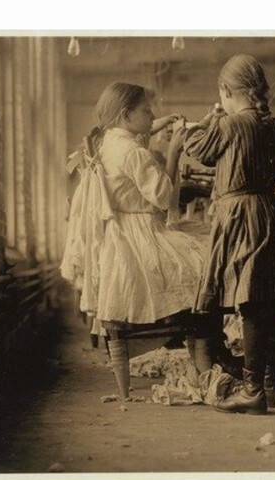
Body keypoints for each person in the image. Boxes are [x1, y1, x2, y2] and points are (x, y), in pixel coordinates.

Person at [62, 81, 204, 401]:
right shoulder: (133, 151)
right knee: (204, 262)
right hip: (140, 235)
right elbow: (164, 197)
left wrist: (160, 124)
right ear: (126, 115)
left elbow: (136, 137)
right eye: (146, 110)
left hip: (117, 235)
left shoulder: (109, 141)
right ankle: (208, 348)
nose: (152, 113)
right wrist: (173, 152)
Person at [182, 54, 275, 415]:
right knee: (268, 301)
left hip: (240, 214)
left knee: (251, 301)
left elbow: (196, 150)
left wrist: (207, 120)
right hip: (269, 210)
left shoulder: (230, 125)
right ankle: (267, 383)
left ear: (225, 90)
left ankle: (252, 391)